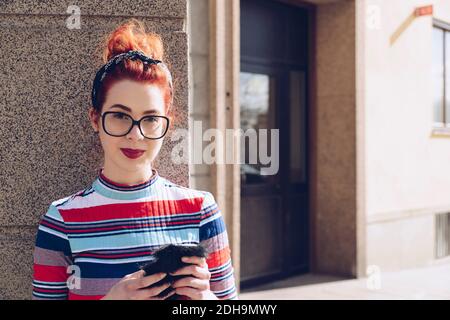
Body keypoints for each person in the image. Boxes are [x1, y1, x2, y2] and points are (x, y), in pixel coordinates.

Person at [31, 19, 238, 300]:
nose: (135, 135)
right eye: (119, 116)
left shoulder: (201, 210)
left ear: (168, 122)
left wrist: (206, 298)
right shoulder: (62, 221)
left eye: (150, 119)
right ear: (95, 118)